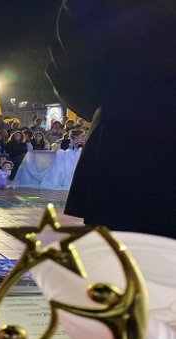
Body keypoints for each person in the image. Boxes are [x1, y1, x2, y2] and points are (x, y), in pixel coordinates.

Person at [47, 0, 176, 238]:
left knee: (126, 263)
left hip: (126, 141)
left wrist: (115, 103)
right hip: (127, 143)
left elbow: (74, 70)